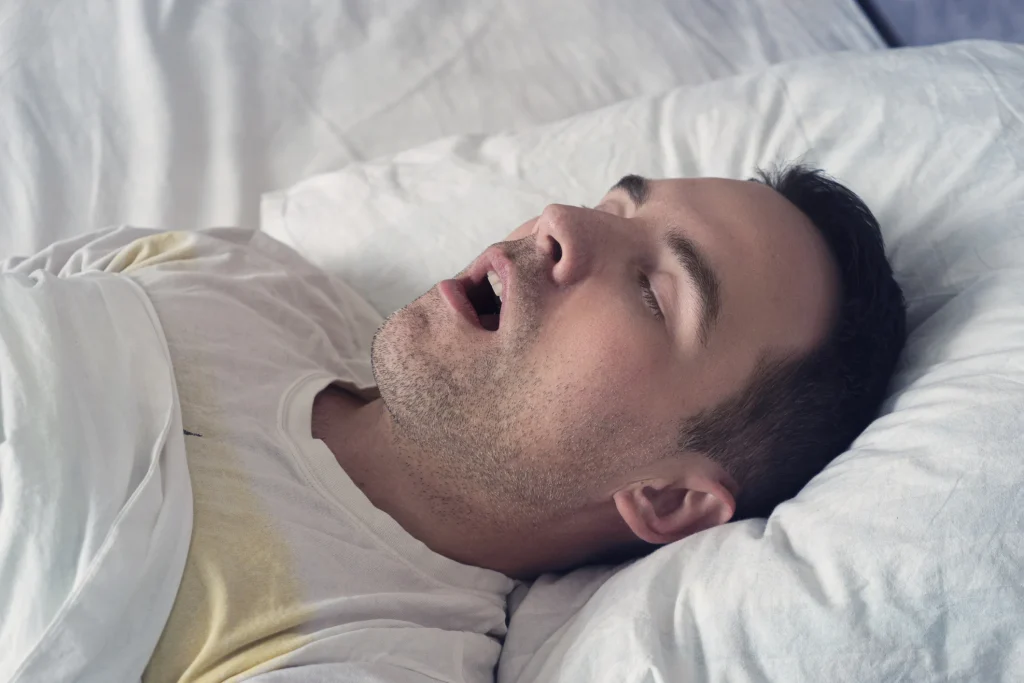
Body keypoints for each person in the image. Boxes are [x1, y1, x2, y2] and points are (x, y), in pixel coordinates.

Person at [3, 164, 905, 682]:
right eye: (619, 203)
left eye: (652, 288)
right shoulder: (243, 274)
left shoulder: (376, 653)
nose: (563, 223)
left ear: (666, 498)